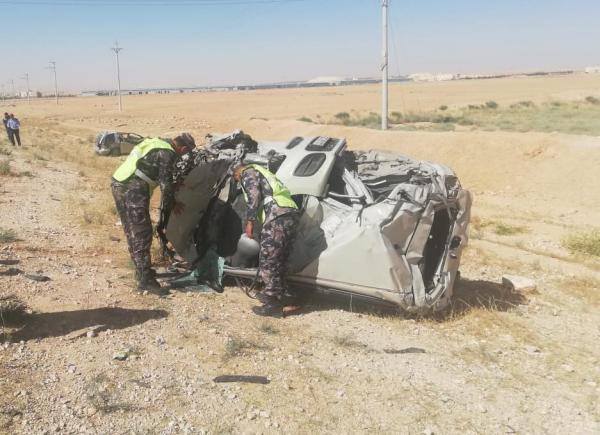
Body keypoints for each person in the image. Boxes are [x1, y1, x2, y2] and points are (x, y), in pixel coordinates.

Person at [111, 133, 195, 295]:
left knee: (132, 231)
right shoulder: (167, 153)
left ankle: (142, 270)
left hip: (120, 183)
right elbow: (166, 186)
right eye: (186, 152)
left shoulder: (157, 142)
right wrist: (172, 206)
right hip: (132, 188)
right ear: (183, 148)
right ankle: (145, 280)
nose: (184, 156)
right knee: (142, 233)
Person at [233, 162, 301, 317]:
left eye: (236, 179)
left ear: (237, 173)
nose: (238, 181)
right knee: (280, 258)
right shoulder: (263, 172)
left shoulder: (247, 172)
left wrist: (250, 221)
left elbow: (254, 195)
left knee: (269, 259)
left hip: (277, 214)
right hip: (290, 213)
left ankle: (272, 304)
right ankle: (283, 295)